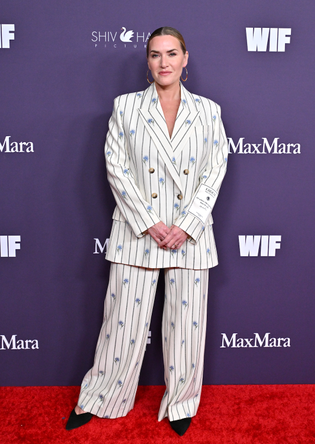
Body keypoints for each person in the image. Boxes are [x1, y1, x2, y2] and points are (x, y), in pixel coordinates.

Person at [66, 26, 228, 436]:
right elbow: (116, 169)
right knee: (122, 324)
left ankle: (181, 403)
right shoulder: (125, 108)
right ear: (147, 61)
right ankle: (102, 396)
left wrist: (187, 225)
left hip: (189, 235)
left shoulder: (209, 111)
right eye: (155, 55)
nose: (164, 62)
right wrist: (151, 223)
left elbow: (214, 170)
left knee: (187, 326)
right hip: (140, 231)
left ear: (185, 58)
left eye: (172, 54)